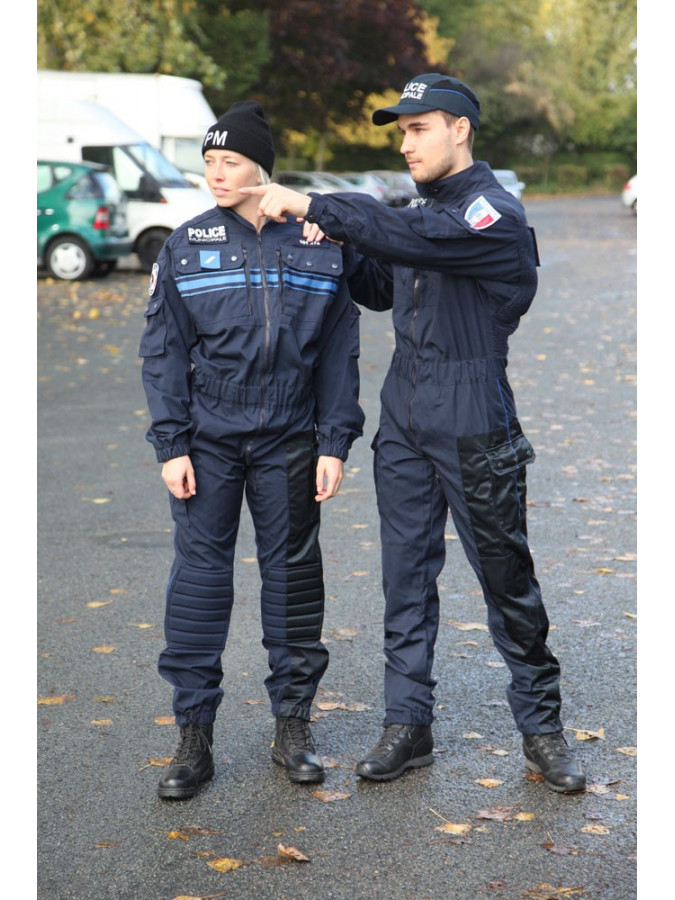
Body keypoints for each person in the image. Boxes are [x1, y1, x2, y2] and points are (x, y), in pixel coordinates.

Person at [242, 74, 587, 793]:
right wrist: (334, 238)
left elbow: (417, 238)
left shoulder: (493, 214)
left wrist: (319, 203)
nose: (404, 143)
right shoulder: (417, 212)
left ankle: (542, 730)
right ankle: (409, 724)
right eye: (399, 132)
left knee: (504, 577)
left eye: (417, 128)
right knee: (404, 577)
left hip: (471, 410)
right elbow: (379, 284)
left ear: (459, 128)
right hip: (403, 410)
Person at [139, 100, 364, 799]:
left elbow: (337, 352)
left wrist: (334, 440)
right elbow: (163, 352)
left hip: (292, 437)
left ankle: (291, 727)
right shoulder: (185, 242)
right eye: (208, 162)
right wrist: (171, 444)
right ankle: (192, 737)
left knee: (294, 581)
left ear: (260, 165)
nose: (215, 174)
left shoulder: (316, 242)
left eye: (229, 161)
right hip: (207, 439)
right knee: (201, 584)